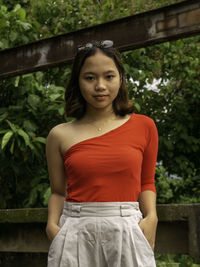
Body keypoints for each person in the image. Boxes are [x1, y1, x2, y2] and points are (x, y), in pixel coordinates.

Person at [46, 40, 158, 267]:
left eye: (109, 76)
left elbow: (146, 182)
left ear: (120, 79)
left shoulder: (144, 126)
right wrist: (52, 226)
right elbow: (58, 191)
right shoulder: (59, 135)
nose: (100, 86)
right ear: (78, 81)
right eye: (90, 78)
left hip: (128, 229)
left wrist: (152, 218)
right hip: (75, 231)